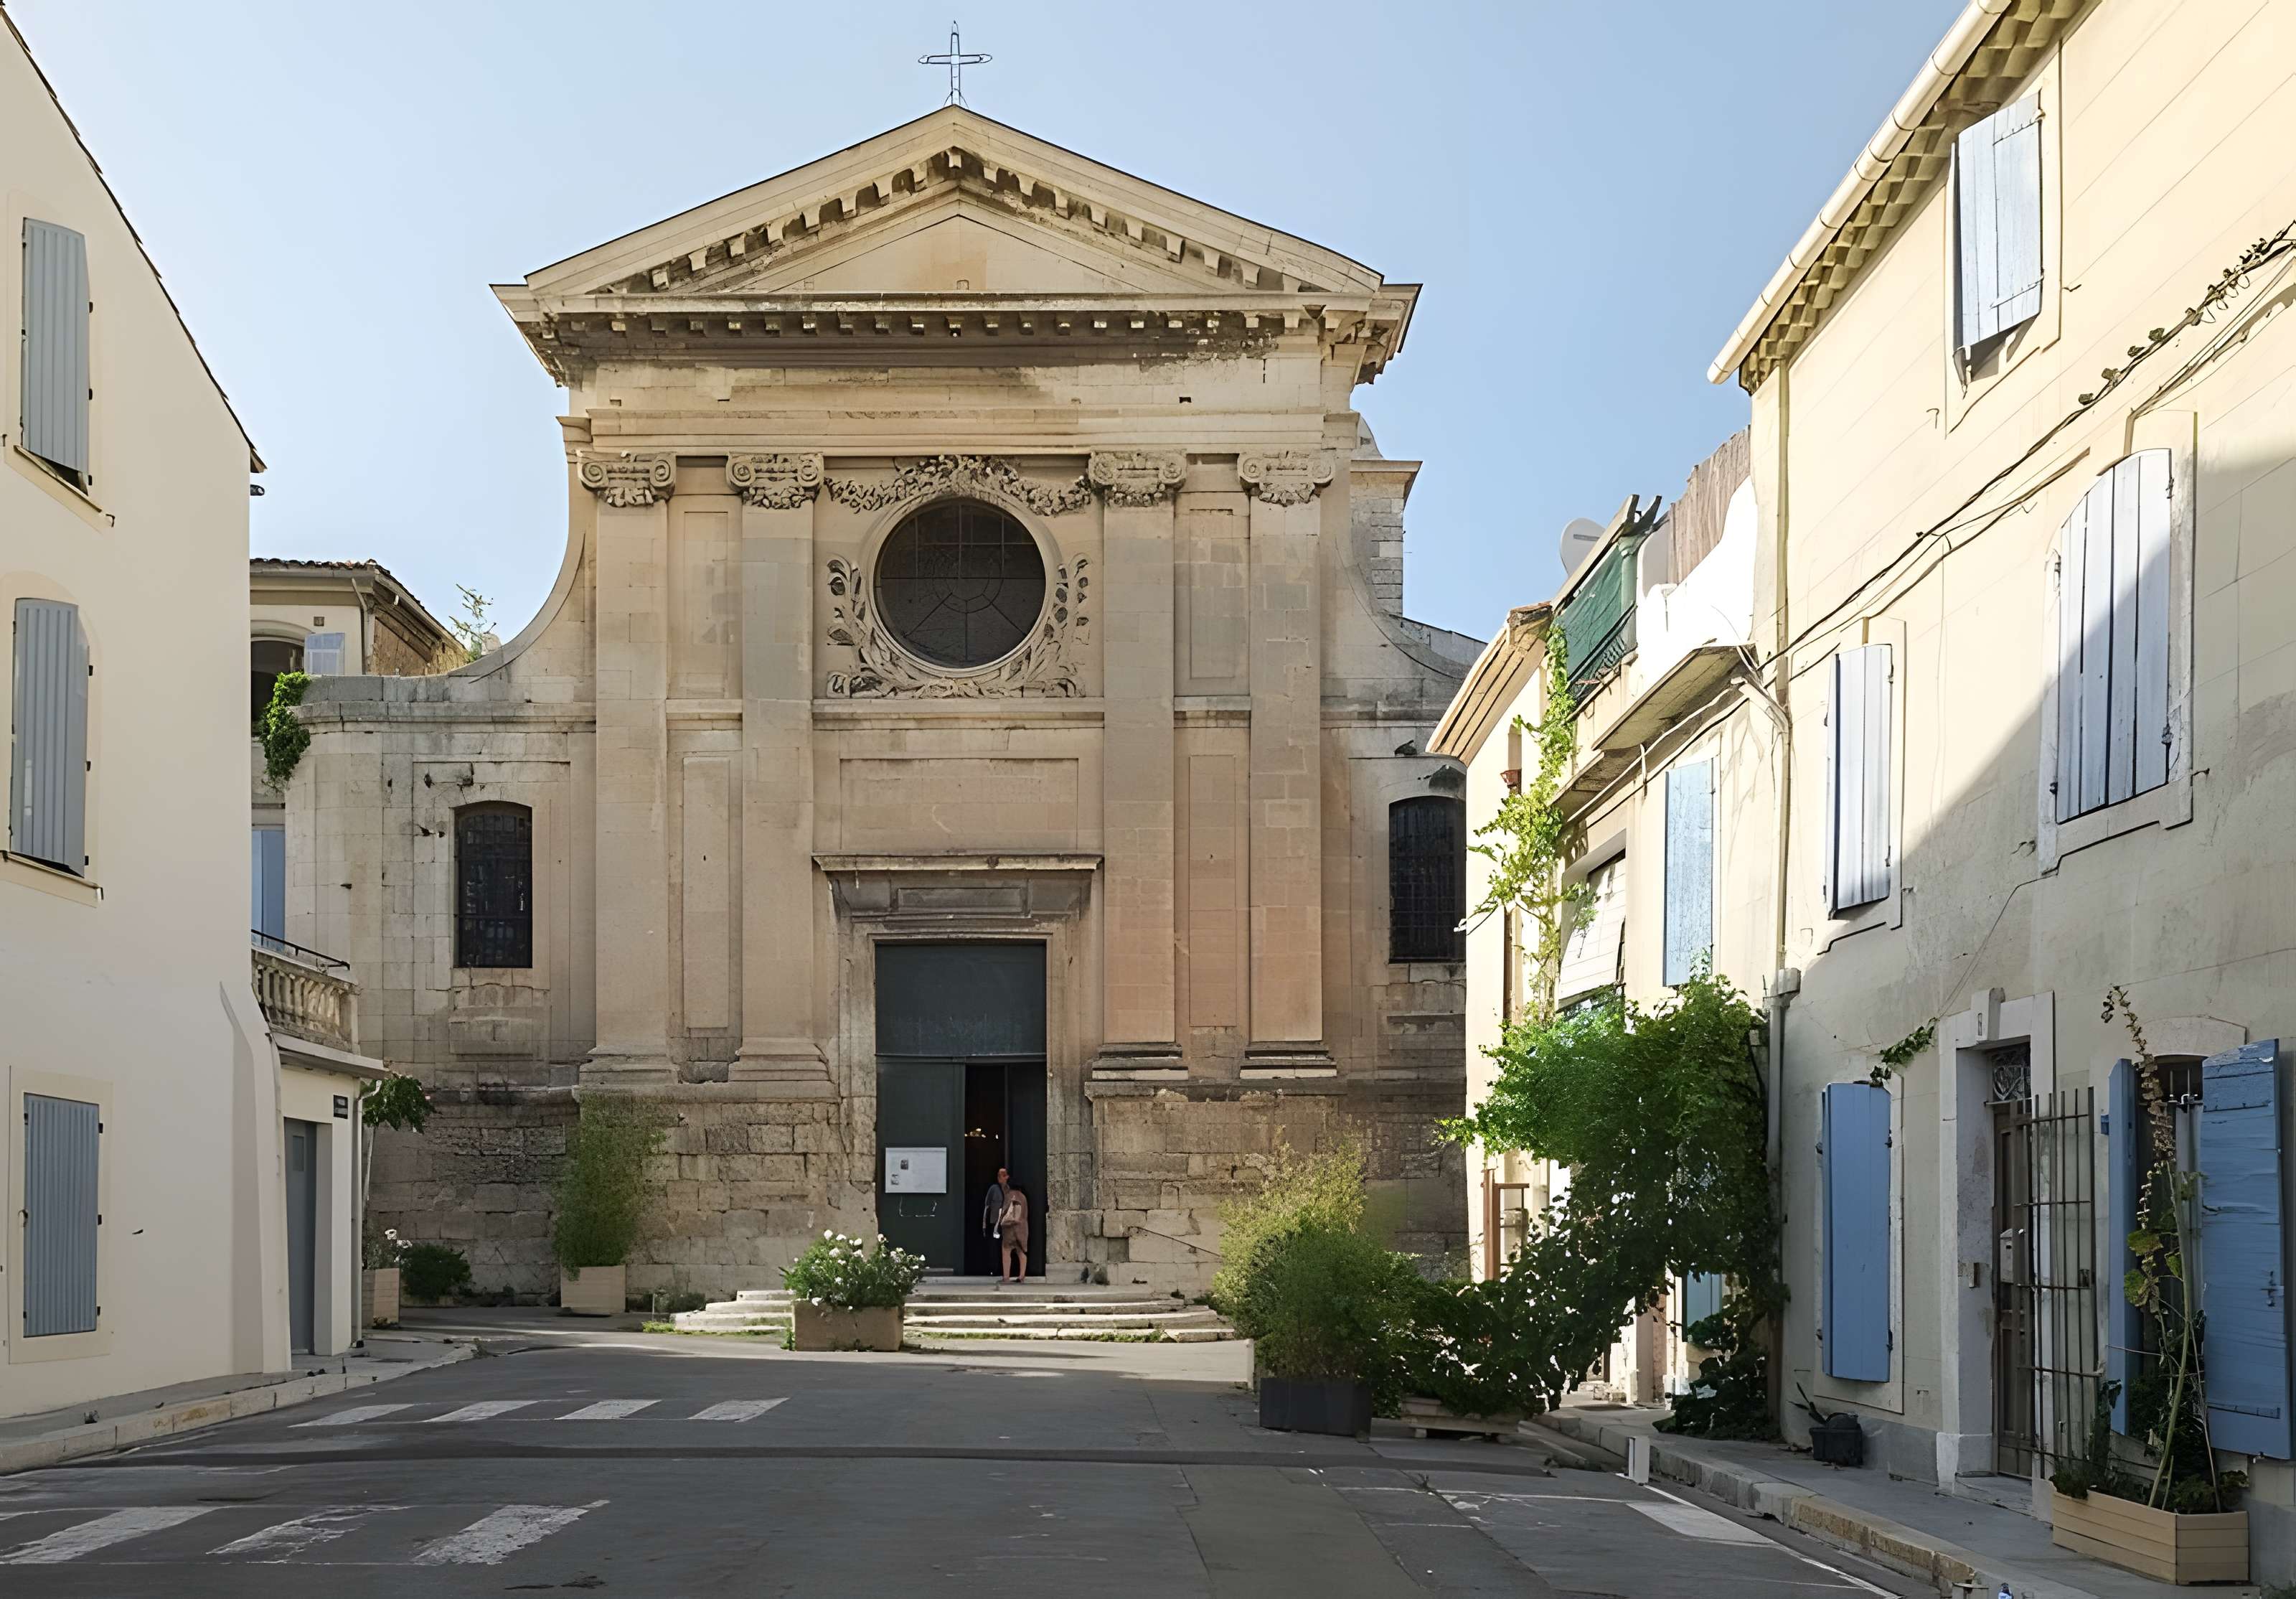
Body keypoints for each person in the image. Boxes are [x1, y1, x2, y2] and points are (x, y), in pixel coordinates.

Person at [999, 1181, 1030, 1283]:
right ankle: (1022, 1276)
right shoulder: (1024, 1197)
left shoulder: (1009, 1195)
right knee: (1021, 1251)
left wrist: (1001, 1221)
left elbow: (1005, 1211)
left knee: (1006, 1250)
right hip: (1022, 1228)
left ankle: (1006, 1277)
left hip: (1010, 1229)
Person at [980, 1166, 1009, 1276]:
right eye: (999, 1175)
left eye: (1003, 1175)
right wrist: (984, 1225)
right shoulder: (993, 1189)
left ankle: (1004, 1270)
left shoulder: (1009, 1190)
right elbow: (987, 1207)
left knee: (1006, 1247)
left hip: (1006, 1224)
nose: (1001, 1178)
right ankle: (994, 1269)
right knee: (994, 1247)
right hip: (995, 1224)